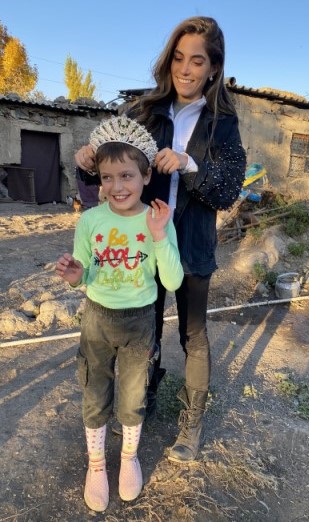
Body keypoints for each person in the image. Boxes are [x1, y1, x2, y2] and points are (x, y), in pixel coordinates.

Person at [75, 16, 247, 464]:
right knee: (143, 328)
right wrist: (88, 164)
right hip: (141, 242)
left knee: (194, 333)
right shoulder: (144, 113)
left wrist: (190, 164)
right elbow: (114, 178)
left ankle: (192, 421)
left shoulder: (222, 124)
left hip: (190, 245)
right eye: (178, 58)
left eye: (197, 61)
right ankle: (143, 395)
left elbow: (228, 189)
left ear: (213, 68)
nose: (185, 70)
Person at [56, 115, 184, 512]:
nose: (116, 187)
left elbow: (174, 280)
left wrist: (160, 235)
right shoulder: (91, 220)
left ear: (146, 177)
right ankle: (96, 465)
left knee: (131, 398)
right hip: (97, 319)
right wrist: (77, 276)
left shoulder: (157, 219)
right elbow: (84, 272)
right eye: (107, 178)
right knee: (95, 393)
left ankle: (128, 458)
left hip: (140, 321)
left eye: (126, 176)